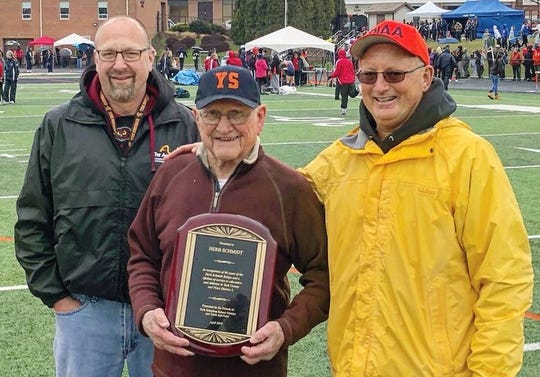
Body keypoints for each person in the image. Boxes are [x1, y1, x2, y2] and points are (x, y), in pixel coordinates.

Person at [298, 20, 533, 376]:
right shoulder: (342, 157)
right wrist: (217, 160)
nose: (380, 87)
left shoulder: (467, 156)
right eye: (368, 76)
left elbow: (504, 280)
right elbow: (279, 197)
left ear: (425, 77)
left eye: (394, 74)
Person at [14, 15, 199, 377]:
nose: (119, 65)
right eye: (109, 53)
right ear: (95, 58)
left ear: (150, 57)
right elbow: (32, 216)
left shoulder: (185, 124)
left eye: (130, 53)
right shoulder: (60, 125)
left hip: (166, 313)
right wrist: (57, 296)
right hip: (85, 311)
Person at [127, 65, 329, 377]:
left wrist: (285, 328)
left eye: (237, 113)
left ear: (259, 117)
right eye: (212, 114)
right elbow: (142, 254)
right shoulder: (170, 175)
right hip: (174, 368)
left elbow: (324, 275)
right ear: (196, 117)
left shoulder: (289, 189)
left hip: (254, 370)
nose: (224, 126)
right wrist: (147, 310)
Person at [329, 47, 359, 116]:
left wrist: (331, 76)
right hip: (351, 80)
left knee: (344, 96)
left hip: (343, 82)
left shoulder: (339, 61)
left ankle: (343, 110)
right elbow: (352, 70)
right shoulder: (349, 61)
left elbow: (337, 72)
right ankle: (357, 90)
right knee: (352, 94)